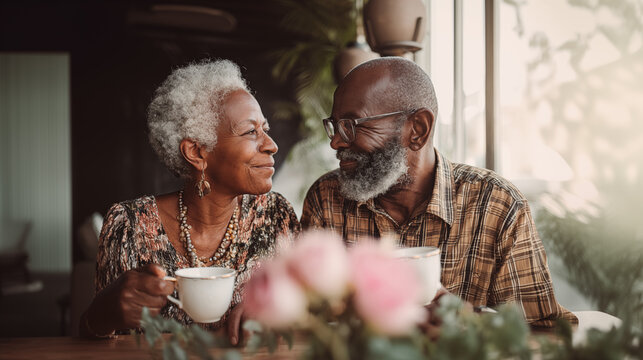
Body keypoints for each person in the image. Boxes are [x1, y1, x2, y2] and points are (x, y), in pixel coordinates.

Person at [301, 57, 576, 327]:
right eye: (335, 127)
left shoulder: (497, 206)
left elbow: (538, 334)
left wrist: (469, 324)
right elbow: (306, 322)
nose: (336, 142)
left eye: (351, 125)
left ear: (418, 129)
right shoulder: (327, 200)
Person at [80, 60, 300, 342]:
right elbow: (90, 341)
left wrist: (277, 316)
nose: (271, 144)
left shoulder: (276, 217)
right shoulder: (128, 226)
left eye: (265, 129)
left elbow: (305, 322)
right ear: (197, 152)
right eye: (250, 132)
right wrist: (102, 313)